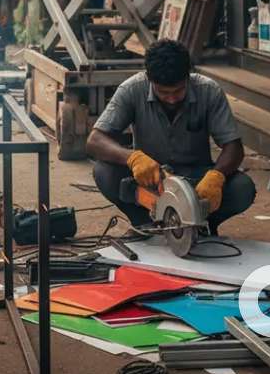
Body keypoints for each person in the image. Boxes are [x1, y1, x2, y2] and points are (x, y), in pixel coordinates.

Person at [86, 39, 256, 235]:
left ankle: (205, 224)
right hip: (152, 179)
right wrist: (132, 158)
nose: (172, 98)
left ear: (188, 76)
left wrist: (216, 176)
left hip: (196, 180)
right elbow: (95, 141)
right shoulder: (132, 89)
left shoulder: (209, 91)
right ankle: (143, 223)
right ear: (149, 79)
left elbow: (234, 147)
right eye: (163, 92)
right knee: (104, 171)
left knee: (243, 188)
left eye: (178, 90)